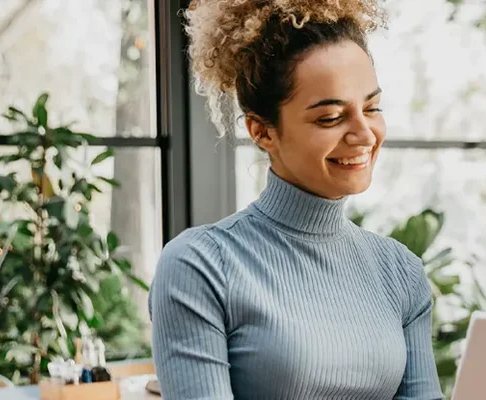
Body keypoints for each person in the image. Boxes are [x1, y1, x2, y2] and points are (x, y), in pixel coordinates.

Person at [148, 1, 442, 399]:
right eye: (330, 118)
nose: (364, 134)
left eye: (371, 108)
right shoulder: (200, 266)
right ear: (262, 132)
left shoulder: (400, 272)